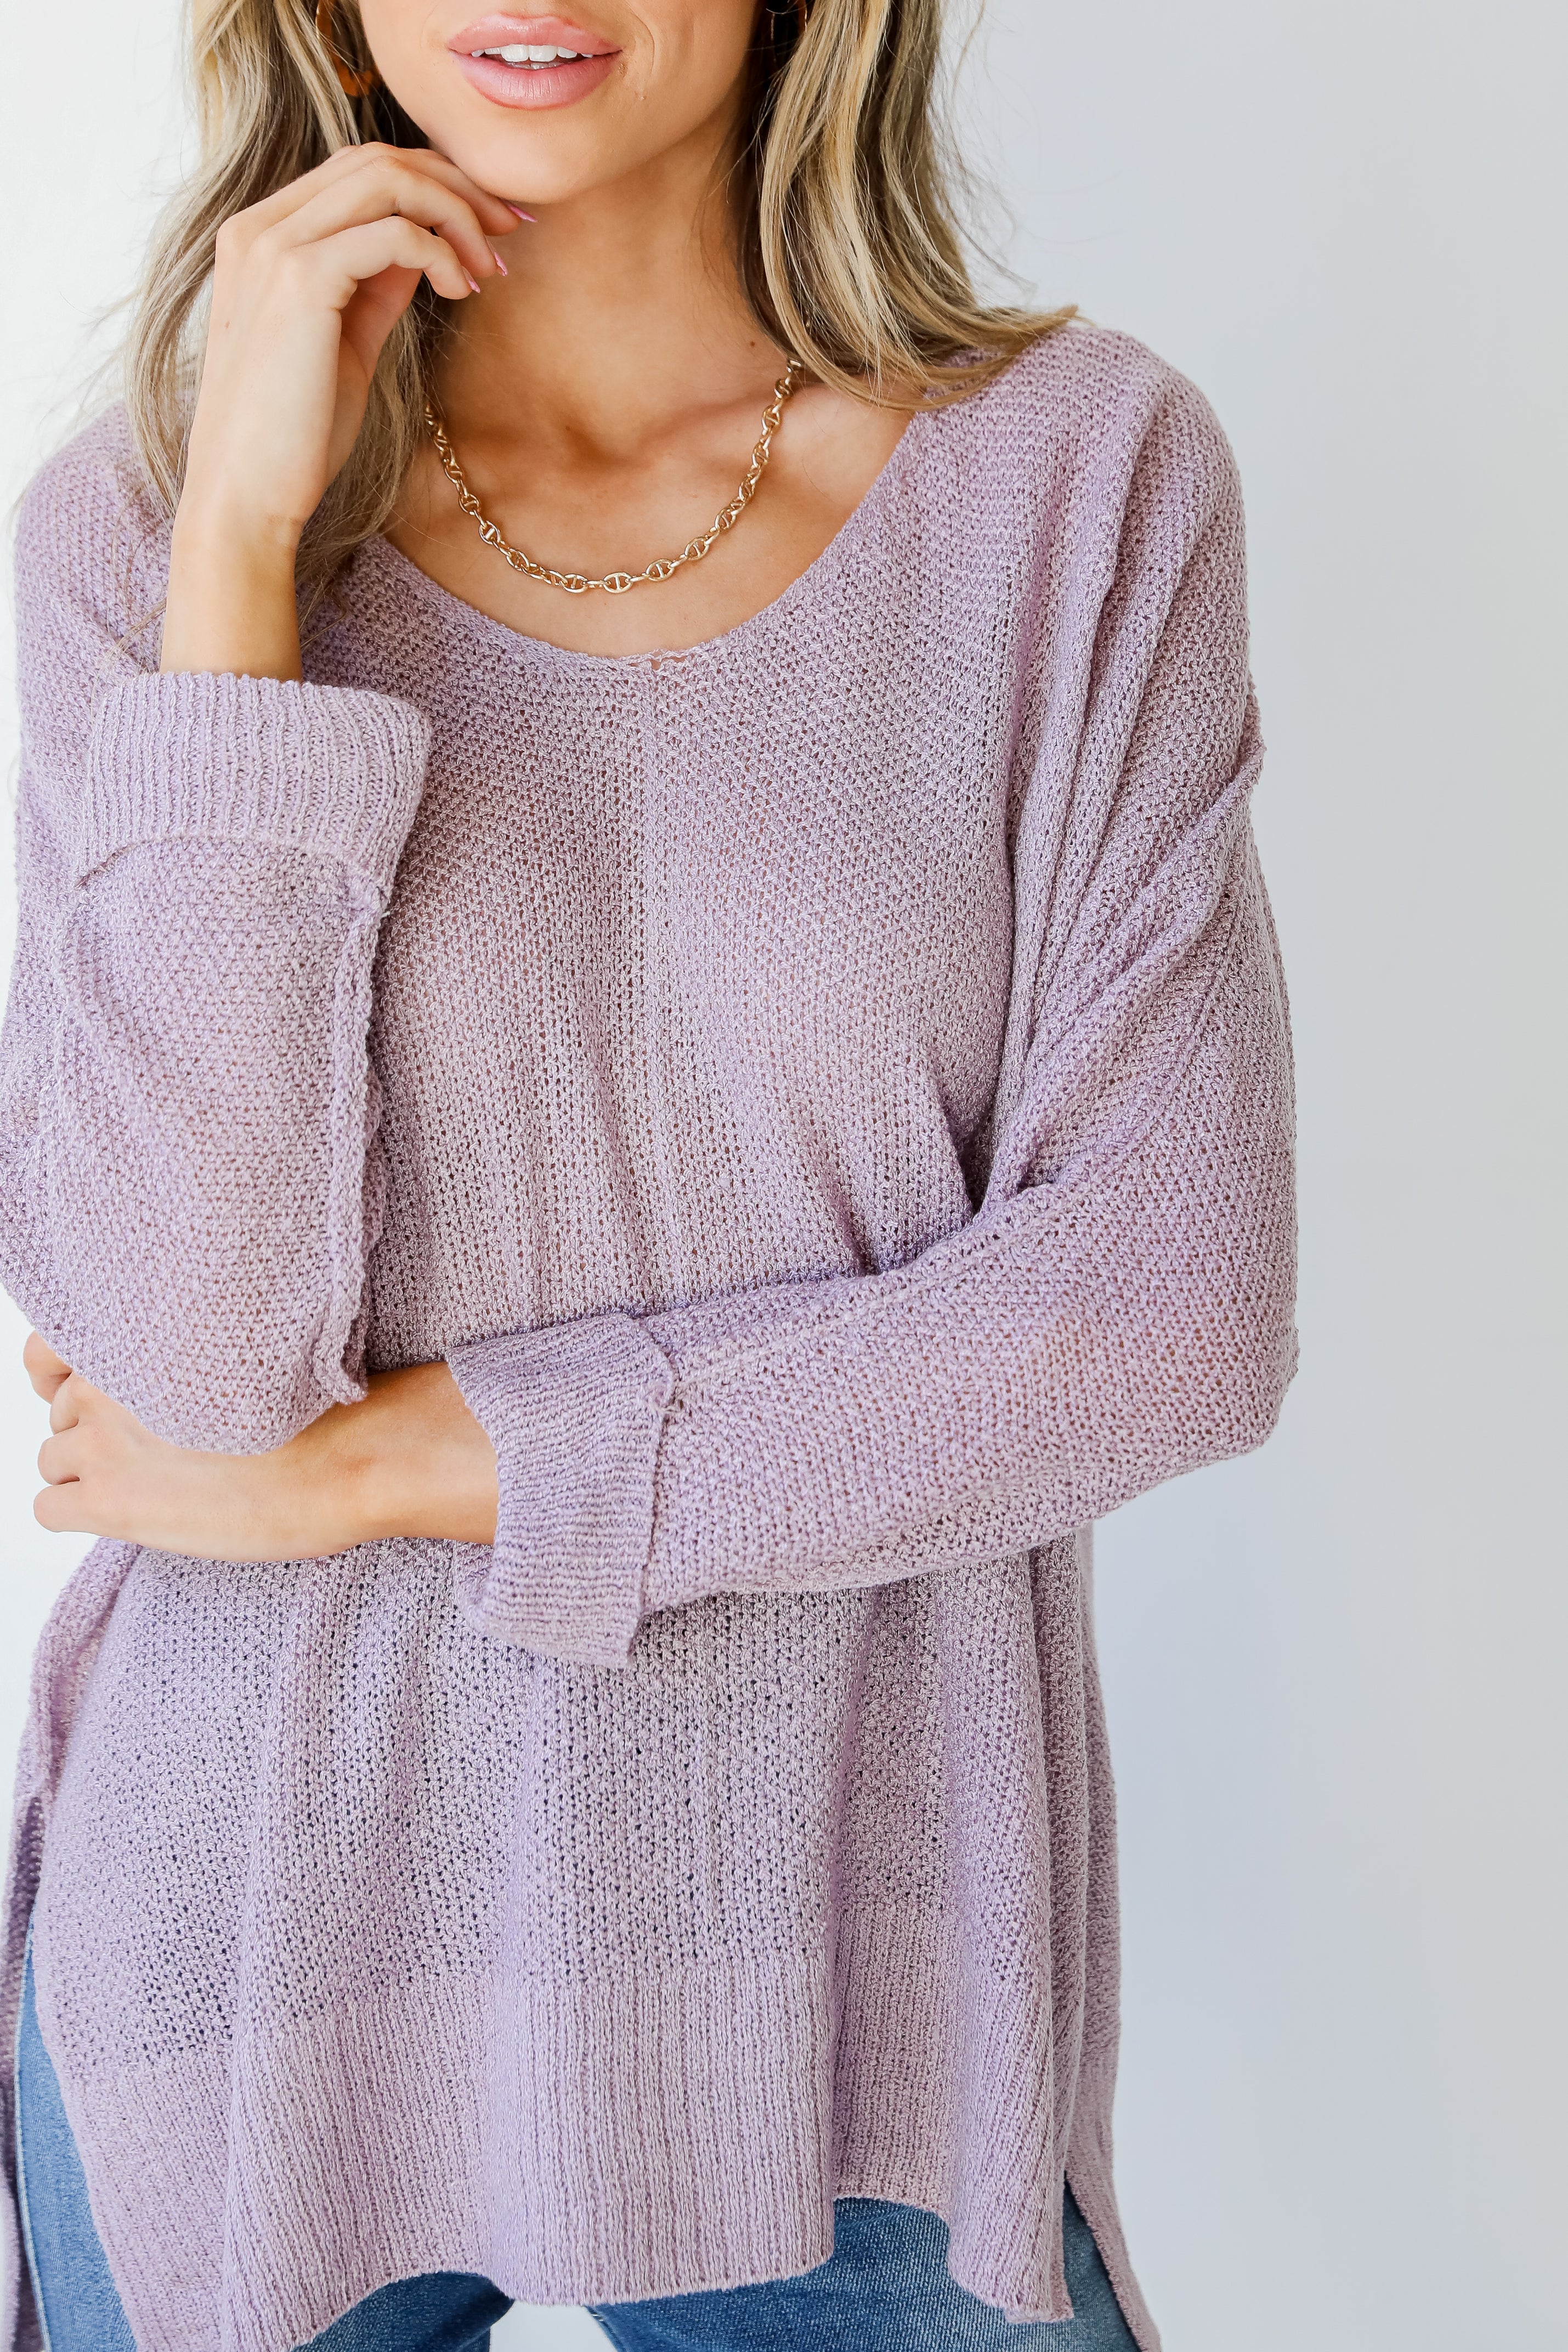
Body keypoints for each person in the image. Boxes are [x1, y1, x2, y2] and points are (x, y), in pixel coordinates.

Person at [0, 0, 1298, 2345]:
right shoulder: (146, 531)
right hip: (258, 1955)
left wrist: (413, 1461)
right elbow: (189, 1370)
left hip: (856, 1989)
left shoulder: (1076, 486)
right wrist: (241, 570)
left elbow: (1160, 1311)